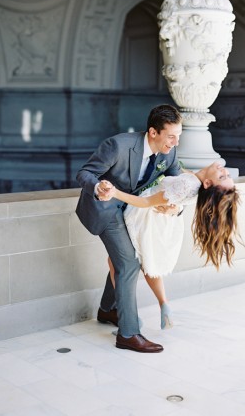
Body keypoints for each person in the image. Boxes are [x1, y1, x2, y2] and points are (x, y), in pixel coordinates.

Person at [75, 104, 183, 353]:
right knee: (128, 263)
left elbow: (178, 187)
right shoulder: (118, 146)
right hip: (105, 208)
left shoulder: (170, 154)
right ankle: (128, 334)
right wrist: (98, 187)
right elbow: (85, 173)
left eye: (179, 136)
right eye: (171, 136)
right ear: (153, 132)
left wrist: (174, 208)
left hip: (133, 213)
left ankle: (107, 310)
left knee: (121, 258)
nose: (175, 142)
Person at [102, 161, 240, 330]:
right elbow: (177, 195)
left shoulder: (188, 183)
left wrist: (115, 193)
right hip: (159, 220)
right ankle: (163, 304)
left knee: (116, 261)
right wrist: (175, 209)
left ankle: (129, 316)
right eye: (226, 175)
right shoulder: (196, 186)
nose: (224, 170)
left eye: (222, 176)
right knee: (148, 263)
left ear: (208, 183)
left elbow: (145, 202)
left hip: (144, 214)